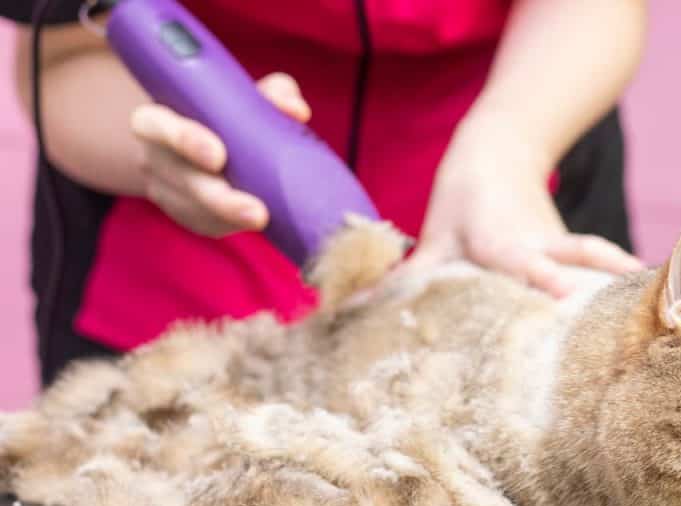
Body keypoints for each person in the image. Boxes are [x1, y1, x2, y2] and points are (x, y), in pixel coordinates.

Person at [4, 0, 646, 385]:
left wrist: (508, 151)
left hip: (511, 176)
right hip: (179, 269)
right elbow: (60, 52)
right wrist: (168, 154)